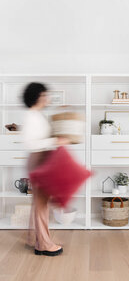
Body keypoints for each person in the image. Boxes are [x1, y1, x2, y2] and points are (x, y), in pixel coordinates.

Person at [22, 82, 69, 256]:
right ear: (36, 97)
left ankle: (37, 239)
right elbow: (30, 143)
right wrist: (54, 142)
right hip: (38, 160)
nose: (47, 98)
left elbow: (45, 136)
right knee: (41, 204)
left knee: (41, 203)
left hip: (43, 159)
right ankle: (43, 244)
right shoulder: (31, 116)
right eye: (44, 95)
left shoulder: (38, 115)